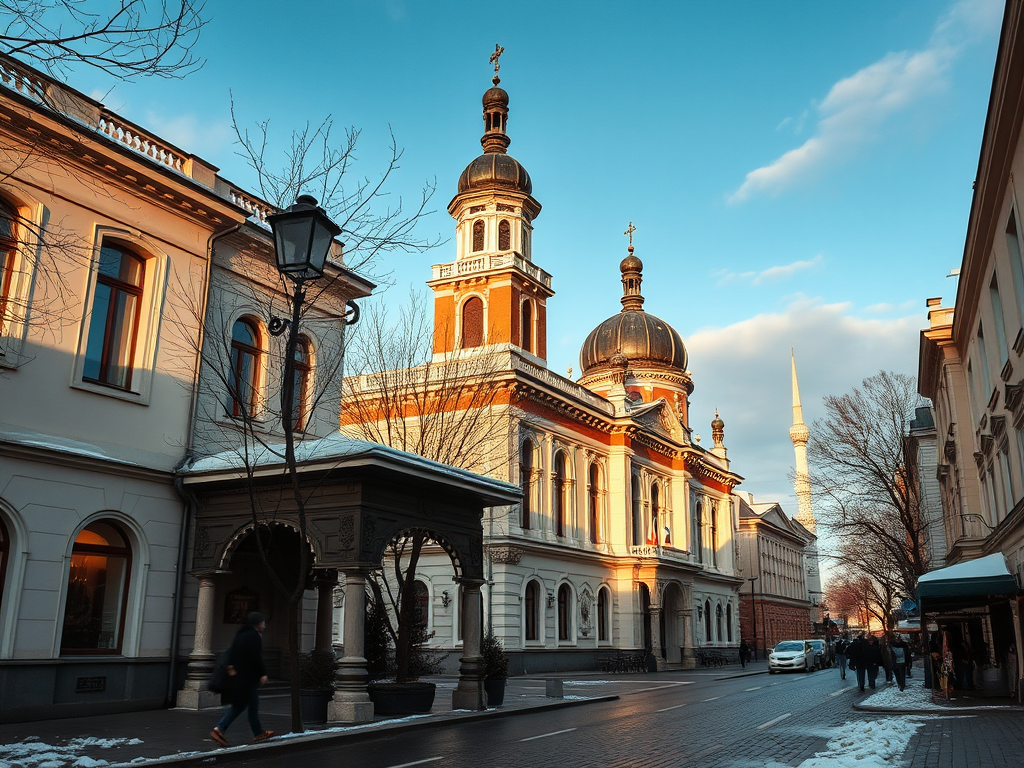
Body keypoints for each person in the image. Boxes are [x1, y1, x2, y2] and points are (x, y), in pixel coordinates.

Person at [210, 612, 273, 746]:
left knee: (245, 705)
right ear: (257, 624)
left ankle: (257, 733)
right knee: (247, 705)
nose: (264, 625)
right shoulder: (254, 636)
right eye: (262, 622)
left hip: (239, 678)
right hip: (247, 679)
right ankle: (220, 728)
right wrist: (262, 674)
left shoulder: (241, 634)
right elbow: (255, 657)